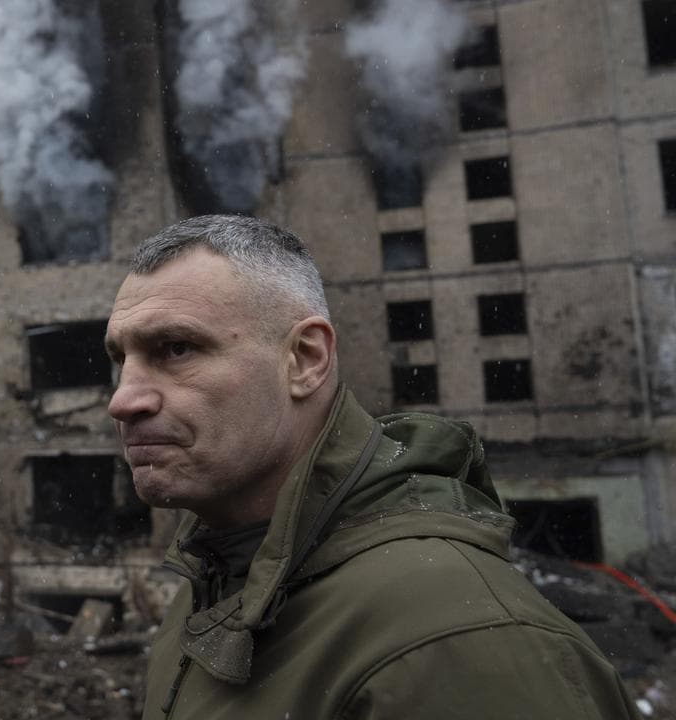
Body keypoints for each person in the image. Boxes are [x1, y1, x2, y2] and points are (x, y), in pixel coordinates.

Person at [105, 215, 639, 719]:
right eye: (119, 360)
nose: (124, 400)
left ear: (305, 359)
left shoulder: (457, 637)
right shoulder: (206, 593)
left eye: (176, 349)